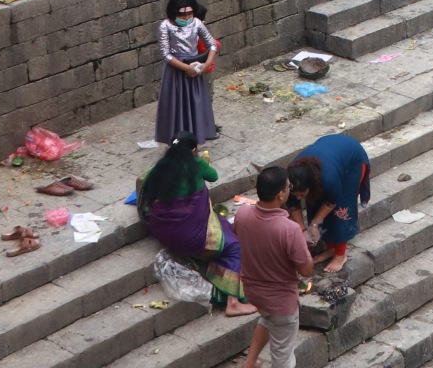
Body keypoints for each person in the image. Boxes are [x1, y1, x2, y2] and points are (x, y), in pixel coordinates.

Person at [136, 133, 251, 315]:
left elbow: (142, 183)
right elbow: (213, 176)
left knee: (223, 225)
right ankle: (233, 303)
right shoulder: (197, 165)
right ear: (194, 150)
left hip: (162, 231)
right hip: (189, 237)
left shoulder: (159, 167)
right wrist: (201, 161)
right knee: (233, 246)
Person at [236, 165, 313, 368]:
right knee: (283, 357)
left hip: (254, 292)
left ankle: (250, 363)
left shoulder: (242, 214)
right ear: (280, 195)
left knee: (268, 320)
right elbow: (306, 270)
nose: (290, 189)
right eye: (288, 187)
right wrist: (306, 248)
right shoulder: (289, 229)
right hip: (281, 302)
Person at [287, 133, 371, 273]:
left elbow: (332, 201)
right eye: (297, 195)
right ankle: (331, 249)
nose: (300, 198)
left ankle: (340, 255)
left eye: (302, 194)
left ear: (311, 184)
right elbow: (292, 204)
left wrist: (314, 224)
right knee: (314, 205)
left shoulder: (329, 180)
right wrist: (302, 231)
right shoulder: (290, 180)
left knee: (340, 210)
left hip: (352, 160)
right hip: (330, 151)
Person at [153, 0, 218, 143]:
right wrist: (185, 68)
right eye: (182, 15)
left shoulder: (196, 23)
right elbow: (166, 54)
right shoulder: (165, 26)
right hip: (176, 71)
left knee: (196, 102)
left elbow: (212, 44)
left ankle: (197, 134)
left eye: (189, 13)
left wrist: (206, 64)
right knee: (176, 105)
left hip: (195, 67)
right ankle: (176, 139)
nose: (187, 17)